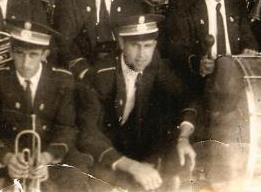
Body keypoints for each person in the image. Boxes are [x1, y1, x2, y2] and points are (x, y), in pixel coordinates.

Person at [80, 14, 197, 191]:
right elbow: (88, 133)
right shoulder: (101, 75)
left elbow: (187, 98)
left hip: (142, 149)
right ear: (121, 43)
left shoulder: (155, 65)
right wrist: (132, 167)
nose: (142, 55)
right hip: (108, 155)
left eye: (147, 46)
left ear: (155, 45)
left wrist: (184, 137)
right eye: (135, 45)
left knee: (182, 162)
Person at [0, 19, 89, 190]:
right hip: (7, 151)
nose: (26, 63)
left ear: (44, 54)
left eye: (33, 55)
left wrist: (48, 157)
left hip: (48, 151)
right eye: (20, 53)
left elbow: (67, 127)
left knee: (77, 173)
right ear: (11, 52)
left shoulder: (62, 80)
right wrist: (6, 158)